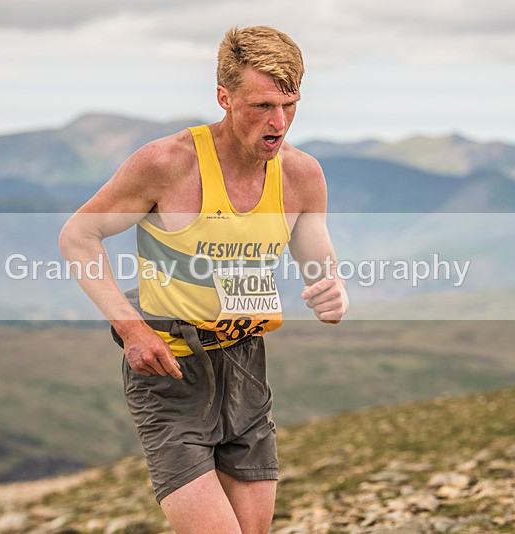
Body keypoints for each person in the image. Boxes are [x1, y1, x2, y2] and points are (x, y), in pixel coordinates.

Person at [59, 25, 348, 534]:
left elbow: (318, 261)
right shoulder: (168, 163)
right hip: (171, 371)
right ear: (224, 98)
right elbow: (78, 235)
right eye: (261, 106)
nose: (278, 122)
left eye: (290, 104)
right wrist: (131, 329)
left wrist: (332, 290)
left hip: (246, 366)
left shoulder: (302, 175)